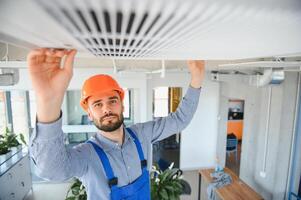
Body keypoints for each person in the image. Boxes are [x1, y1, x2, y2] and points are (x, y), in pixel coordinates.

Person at [28, 48, 205, 200]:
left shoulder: (142, 134)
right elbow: (51, 170)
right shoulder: (87, 156)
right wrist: (48, 102)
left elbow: (179, 120)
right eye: (97, 104)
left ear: (122, 105)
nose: (106, 109)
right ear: (89, 113)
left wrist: (196, 79)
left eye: (112, 101)